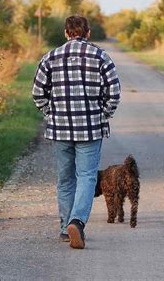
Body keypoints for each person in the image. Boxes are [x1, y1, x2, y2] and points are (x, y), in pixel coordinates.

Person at [32, 15, 121, 249]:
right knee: (87, 177)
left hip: (60, 129)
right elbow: (114, 93)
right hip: (90, 129)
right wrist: (103, 114)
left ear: (65, 33)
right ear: (88, 33)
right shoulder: (101, 56)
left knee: (65, 179)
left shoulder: (50, 57)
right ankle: (77, 222)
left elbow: (38, 92)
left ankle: (65, 229)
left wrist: (51, 113)